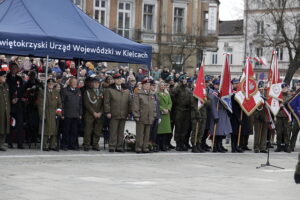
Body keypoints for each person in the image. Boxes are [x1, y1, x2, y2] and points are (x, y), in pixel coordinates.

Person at [104, 73, 131, 152]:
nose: (119, 80)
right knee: (113, 130)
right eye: (117, 79)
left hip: (124, 113)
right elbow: (106, 102)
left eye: (120, 79)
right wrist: (107, 112)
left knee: (121, 131)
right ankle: (112, 146)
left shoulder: (126, 90)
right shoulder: (109, 89)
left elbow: (129, 102)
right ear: (114, 80)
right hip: (114, 113)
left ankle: (119, 146)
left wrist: (129, 112)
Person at [37, 79, 62, 151]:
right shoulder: (43, 92)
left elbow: (59, 103)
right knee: (45, 130)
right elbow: (40, 105)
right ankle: (45, 145)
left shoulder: (56, 92)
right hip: (46, 112)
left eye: (52, 83)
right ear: (47, 84)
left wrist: (59, 112)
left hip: (54, 113)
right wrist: (42, 115)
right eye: (49, 83)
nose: (51, 84)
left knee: (54, 130)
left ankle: (52, 145)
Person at [133, 78, 156, 153]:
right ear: (142, 85)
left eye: (149, 85)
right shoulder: (138, 93)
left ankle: (145, 147)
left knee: (147, 134)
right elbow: (136, 105)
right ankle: (138, 147)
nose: (147, 86)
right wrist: (136, 115)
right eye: (146, 84)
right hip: (141, 116)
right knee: (140, 133)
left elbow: (154, 106)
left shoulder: (152, 94)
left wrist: (154, 115)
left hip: (149, 117)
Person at [209, 79, 232, 153]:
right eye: (217, 84)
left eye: (219, 84)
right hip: (217, 113)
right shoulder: (213, 93)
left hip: (223, 113)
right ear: (214, 85)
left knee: (222, 132)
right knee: (217, 132)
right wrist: (215, 116)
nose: (218, 86)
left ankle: (220, 145)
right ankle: (216, 146)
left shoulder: (221, 92)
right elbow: (212, 105)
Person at [6, 62, 25, 149]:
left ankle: (20, 143)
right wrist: (11, 99)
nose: (14, 69)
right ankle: (9, 142)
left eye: (16, 68)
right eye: (12, 67)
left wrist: (18, 98)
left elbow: (22, 91)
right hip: (10, 105)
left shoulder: (19, 79)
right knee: (11, 124)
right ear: (10, 68)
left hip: (18, 105)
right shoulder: (7, 78)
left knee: (20, 124)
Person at [171, 74, 192, 151]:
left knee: (185, 128)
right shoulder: (177, 88)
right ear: (180, 80)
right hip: (179, 110)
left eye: (185, 80)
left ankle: (183, 143)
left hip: (187, 111)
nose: (184, 81)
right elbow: (172, 96)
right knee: (178, 128)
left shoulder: (188, 89)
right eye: (183, 80)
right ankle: (178, 144)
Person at [61, 77, 82, 150]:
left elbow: (80, 103)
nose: (75, 84)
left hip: (76, 114)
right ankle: (64, 145)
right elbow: (62, 103)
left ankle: (72, 145)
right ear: (70, 83)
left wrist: (80, 114)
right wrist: (62, 114)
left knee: (74, 131)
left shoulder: (78, 91)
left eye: (76, 82)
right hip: (67, 114)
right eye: (73, 82)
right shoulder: (64, 91)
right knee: (66, 131)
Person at [83, 78, 104, 151]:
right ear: (91, 84)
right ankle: (87, 145)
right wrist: (93, 112)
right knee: (88, 130)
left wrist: (101, 112)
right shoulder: (88, 92)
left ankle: (95, 144)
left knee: (97, 130)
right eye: (94, 83)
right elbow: (87, 104)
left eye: (97, 83)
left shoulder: (102, 92)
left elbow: (104, 104)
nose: (96, 84)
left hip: (99, 114)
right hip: (90, 114)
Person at [275, 83, 292, 153]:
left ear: (287, 88)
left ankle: (286, 146)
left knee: (286, 132)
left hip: (286, 117)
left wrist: (284, 104)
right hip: (279, 116)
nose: (284, 89)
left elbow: (291, 106)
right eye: (283, 88)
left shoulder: (290, 97)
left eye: (285, 88)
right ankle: (279, 146)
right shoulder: (278, 96)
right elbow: (274, 105)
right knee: (279, 132)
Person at [156, 81, 172, 151]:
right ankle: (158, 145)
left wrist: (168, 109)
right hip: (161, 114)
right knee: (160, 132)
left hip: (167, 114)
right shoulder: (157, 94)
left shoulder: (167, 94)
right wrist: (162, 109)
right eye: (161, 85)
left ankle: (164, 145)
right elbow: (157, 104)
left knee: (166, 132)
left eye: (163, 85)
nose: (162, 86)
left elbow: (170, 102)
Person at [253, 81, 268, 153]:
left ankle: (263, 147)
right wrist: (257, 115)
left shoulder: (266, 96)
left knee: (264, 133)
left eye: (262, 89)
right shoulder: (255, 96)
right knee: (257, 133)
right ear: (257, 89)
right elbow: (254, 108)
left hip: (265, 117)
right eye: (260, 89)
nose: (261, 90)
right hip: (257, 117)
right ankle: (256, 147)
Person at [149, 80, 161, 152]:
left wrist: (159, 117)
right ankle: (148, 145)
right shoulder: (148, 94)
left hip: (156, 116)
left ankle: (153, 145)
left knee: (154, 132)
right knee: (149, 132)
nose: (154, 87)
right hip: (150, 116)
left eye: (155, 86)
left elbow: (158, 106)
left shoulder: (156, 94)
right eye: (153, 86)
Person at [0, 68, 10, 151]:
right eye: (3, 76)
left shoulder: (6, 85)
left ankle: (1, 144)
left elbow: (7, 98)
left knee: (4, 128)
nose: (5, 78)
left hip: (5, 110)